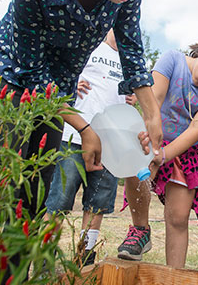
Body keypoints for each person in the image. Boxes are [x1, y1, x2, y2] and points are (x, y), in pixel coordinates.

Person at [0, 0, 162, 221]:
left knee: (33, 195)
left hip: (57, 96)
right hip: (6, 84)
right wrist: (84, 127)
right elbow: (31, 71)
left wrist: (152, 114)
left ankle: (17, 272)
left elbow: (133, 52)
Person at [117, 39, 198, 268]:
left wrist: (163, 156)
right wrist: (153, 151)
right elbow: (154, 100)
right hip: (152, 133)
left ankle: (173, 276)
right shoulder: (172, 59)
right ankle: (140, 230)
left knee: (178, 218)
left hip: (184, 150)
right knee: (135, 164)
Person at [45, 29, 135, 266]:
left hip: (110, 145)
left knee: (96, 207)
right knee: (58, 204)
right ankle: (43, 264)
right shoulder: (90, 45)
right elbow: (61, 74)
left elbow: (132, 94)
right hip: (74, 138)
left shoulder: (131, 59)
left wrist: (133, 98)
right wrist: (71, 85)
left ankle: (83, 265)